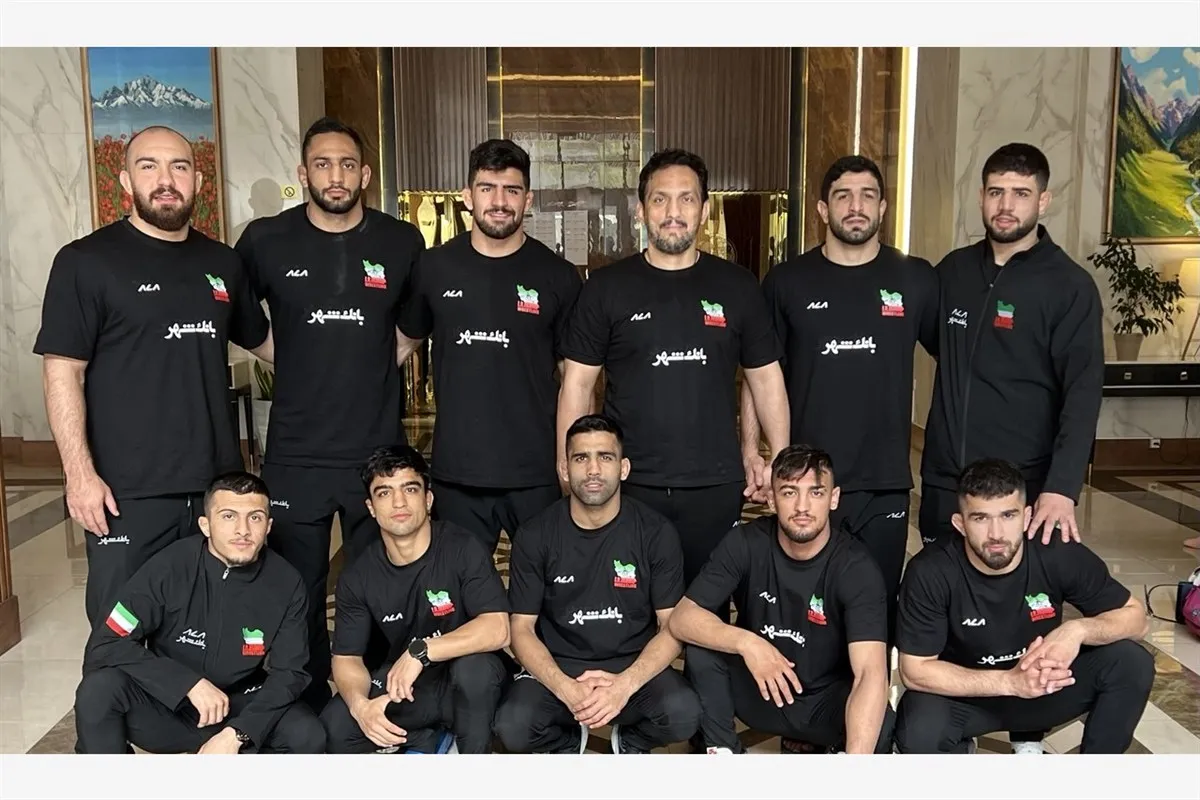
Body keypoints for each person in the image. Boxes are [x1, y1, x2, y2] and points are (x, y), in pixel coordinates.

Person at [34, 126, 271, 626]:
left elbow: (267, 343)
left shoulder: (222, 263)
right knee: (121, 630)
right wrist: (79, 475)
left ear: (198, 181)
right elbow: (63, 372)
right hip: (126, 491)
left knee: (207, 626)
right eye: (149, 166)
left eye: (179, 167)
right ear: (125, 180)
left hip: (214, 488)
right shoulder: (85, 262)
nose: (166, 180)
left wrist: (360, 346)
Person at [234, 117, 425, 710]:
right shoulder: (265, 240)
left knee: (378, 581)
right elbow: (243, 320)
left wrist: (369, 364)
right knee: (298, 584)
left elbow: (411, 328)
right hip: (296, 451)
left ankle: (379, 691)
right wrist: (295, 359)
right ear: (303, 173)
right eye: (322, 164)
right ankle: (306, 694)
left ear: (364, 174)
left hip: (376, 451)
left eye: (346, 164)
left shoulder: (401, 241)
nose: (335, 175)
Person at [557, 148, 790, 601]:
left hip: (715, 483)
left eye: (686, 199)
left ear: (705, 209)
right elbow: (577, 384)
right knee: (629, 607)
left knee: (707, 609)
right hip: (628, 481)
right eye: (660, 199)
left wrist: (779, 460)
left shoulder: (738, 286)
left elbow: (765, 379)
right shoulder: (607, 288)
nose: (673, 212)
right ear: (640, 209)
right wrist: (569, 465)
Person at [741, 155, 938, 647]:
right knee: (805, 610)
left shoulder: (916, 279)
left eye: (867, 196)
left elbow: (958, 362)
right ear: (822, 209)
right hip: (807, 483)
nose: (856, 206)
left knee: (876, 608)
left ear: (883, 207)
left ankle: (868, 695)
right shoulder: (786, 282)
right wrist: (754, 452)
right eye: (843, 196)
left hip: (885, 481)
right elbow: (758, 374)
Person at [396, 139, 581, 554]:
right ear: (468, 196)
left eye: (511, 190)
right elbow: (402, 346)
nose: (499, 202)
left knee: (548, 585)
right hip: (457, 473)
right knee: (460, 588)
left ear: (527, 199)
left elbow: (576, 379)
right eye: (487, 188)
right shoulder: (434, 268)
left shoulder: (558, 276)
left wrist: (570, 459)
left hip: (536, 473)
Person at [894, 458, 1153, 754]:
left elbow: (1137, 620)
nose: (996, 534)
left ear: (1027, 516)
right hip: (968, 694)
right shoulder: (930, 571)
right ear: (960, 524)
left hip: (1043, 686)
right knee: (918, 730)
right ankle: (961, 749)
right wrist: (1009, 682)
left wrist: (1077, 630)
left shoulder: (1056, 552)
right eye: (980, 518)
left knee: (1131, 662)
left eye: (1008, 515)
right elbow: (915, 671)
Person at [920, 142, 1103, 550]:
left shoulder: (1069, 286)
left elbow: (1083, 392)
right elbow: (937, 343)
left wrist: (1062, 487)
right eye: (996, 192)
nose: (1006, 205)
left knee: (1015, 587)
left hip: (1022, 484)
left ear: (1043, 200)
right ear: (981, 197)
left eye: (1021, 193)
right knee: (938, 583)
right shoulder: (953, 270)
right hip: (946, 480)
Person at [73, 472, 324, 754]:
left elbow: (290, 673)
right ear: (205, 525)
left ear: (268, 526)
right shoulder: (169, 567)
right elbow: (107, 642)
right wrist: (187, 684)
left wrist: (239, 733)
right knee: (98, 691)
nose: (243, 530)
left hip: (238, 705)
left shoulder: (287, 583)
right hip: (168, 703)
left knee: (306, 734)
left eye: (255, 517)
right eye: (228, 516)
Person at [494, 414, 701, 754]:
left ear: (624, 468)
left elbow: (671, 627)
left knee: (683, 714)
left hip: (632, 665)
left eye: (605, 457)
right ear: (565, 469)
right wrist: (565, 688)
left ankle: (630, 739)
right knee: (513, 727)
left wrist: (624, 685)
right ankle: (567, 741)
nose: (593, 469)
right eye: (581, 458)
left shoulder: (656, 533)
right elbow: (521, 629)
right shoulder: (535, 534)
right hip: (559, 667)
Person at [669, 445, 894, 755]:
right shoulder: (745, 542)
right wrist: (749, 644)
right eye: (789, 492)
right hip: (760, 690)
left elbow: (870, 671)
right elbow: (682, 618)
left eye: (816, 493)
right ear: (772, 500)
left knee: (881, 722)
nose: (802, 507)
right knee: (703, 649)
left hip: (823, 703)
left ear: (834, 498)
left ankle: (831, 752)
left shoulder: (856, 568)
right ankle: (722, 752)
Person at [319, 445, 511, 754]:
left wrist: (420, 652)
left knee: (476, 672)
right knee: (335, 727)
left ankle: (471, 755)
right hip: (411, 685)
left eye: (410, 489)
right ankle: (428, 739)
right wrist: (360, 706)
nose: (399, 502)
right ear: (371, 507)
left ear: (428, 499)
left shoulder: (462, 547)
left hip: (468, 679)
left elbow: (497, 628)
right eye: (384, 493)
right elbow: (346, 658)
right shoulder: (358, 575)